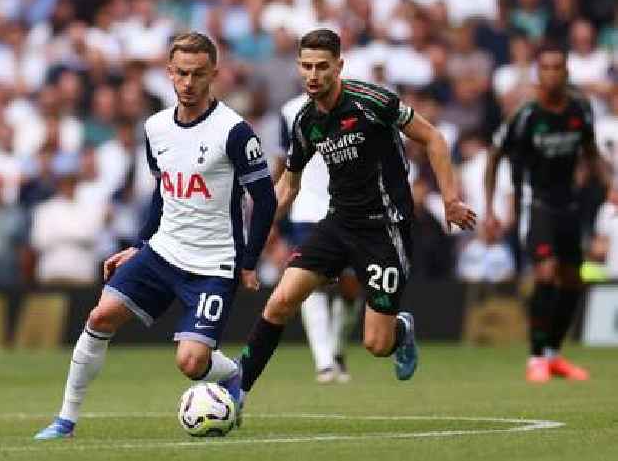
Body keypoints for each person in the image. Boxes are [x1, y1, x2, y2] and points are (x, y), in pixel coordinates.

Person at [221, 29, 476, 417]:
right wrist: (254, 243)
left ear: (339, 66)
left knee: (376, 343)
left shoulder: (374, 101)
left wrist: (451, 200)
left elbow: (435, 139)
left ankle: (401, 331)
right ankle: (237, 392)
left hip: (386, 228)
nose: (313, 75)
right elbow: (288, 185)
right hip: (338, 223)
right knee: (280, 302)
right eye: (306, 66)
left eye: (322, 67)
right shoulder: (306, 122)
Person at [34, 32, 277, 439]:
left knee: (191, 363)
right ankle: (65, 420)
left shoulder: (234, 132)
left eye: (198, 74)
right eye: (181, 73)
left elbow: (265, 201)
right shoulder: (156, 127)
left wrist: (249, 262)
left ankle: (231, 373)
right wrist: (139, 245)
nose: (188, 82)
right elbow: (162, 194)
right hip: (163, 251)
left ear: (214, 74)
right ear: (169, 73)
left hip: (213, 263)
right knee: (100, 315)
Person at [484, 42, 610, 383]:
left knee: (573, 279)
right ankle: (536, 357)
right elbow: (494, 157)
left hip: (569, 206)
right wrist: (490, 208)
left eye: (558, 68)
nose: (552, 74)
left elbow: (591, 151)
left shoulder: (580, 109)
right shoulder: (526, 116)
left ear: (566, 73)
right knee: (545, 273)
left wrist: (611, 183)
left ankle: (554, 354)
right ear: (539, 74)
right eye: (546, 68)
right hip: (535, 204)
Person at [280, 93, 361, 384]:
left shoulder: (359, 106)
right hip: (307, 210)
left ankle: (337, 350)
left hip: (350, 210)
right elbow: (284, 163)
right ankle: (324, 362)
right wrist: (275, 220)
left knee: (351, 287)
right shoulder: (290, 110)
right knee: (310, 286)